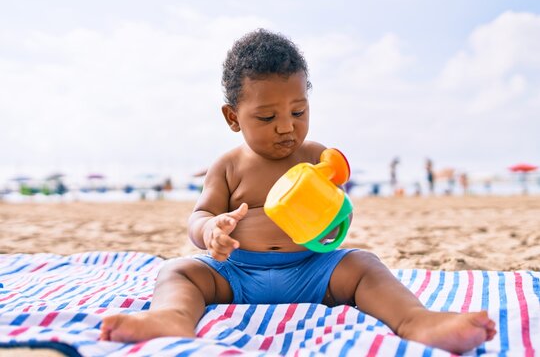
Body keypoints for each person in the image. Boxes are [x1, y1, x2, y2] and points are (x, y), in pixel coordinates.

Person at [100, 29, 496, 353]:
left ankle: (417, 320)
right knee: (178, 271)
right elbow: (199, 216)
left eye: (298, 112)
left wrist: (333, 220)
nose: (286, 127)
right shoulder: (228, 166)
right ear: (233, 117)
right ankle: (171, 318)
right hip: (237, 274)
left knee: (363, 264)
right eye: (268, 117)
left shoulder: (315, 157)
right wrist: (211, 231)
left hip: (312, 272)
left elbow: (339, 212)